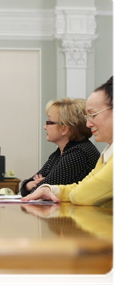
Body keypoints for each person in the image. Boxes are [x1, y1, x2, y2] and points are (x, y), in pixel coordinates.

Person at [22, 75, 117, 209]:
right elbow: (80, 187)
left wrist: (44, 187)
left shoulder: (81, 152)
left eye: (93, 115)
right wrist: (48, 189)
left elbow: (82, 195)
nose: (89, 124)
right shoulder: (108, 152)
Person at [20, 98, 100, 196]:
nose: (45, 127)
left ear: (64, 129)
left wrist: (35, 186)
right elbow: (29, 186)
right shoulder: (59, 153)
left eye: (49, 121)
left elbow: (40, 192)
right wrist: (28, 185)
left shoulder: (79, 153)